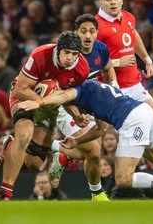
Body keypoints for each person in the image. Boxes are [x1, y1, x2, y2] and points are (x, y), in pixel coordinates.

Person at [18, 80, 153, 200]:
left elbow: (63, 97)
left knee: (124, 179)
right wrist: (77, 142)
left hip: (132, 121)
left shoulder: (79, 89)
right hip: (144, 112)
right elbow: (101, 129)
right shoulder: (96, 90)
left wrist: (39, 102)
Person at [0, 30, 90, 200]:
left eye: (74, 54)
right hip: (25, 96)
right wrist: (42, 101)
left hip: (49, 104)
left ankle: (11, 145)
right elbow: (20, 89)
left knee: (34, 164)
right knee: (24, 134)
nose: (70, 58)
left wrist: (76, 115)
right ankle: (5, 191)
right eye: (66, 52)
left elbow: (66, 97)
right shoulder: (40, 55)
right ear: (59, 49)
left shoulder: (82, 69)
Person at [95, 0, 153, 164]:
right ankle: (88, 178)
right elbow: (90, 63)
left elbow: (133, 34)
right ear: (101, 2)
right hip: (110, 91)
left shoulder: (129, 17)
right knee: (98, 136)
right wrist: (116, 63)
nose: (113, 2)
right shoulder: (95, 27)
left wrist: (146, 59)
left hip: (135, 86)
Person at [46, 14, 118, 201]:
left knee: (94, 155)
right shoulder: (68, 56)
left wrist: (114, 85)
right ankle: (54, 148)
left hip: (90, 102)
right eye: (83, 31)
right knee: (92, 149)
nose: (87, 36)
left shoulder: (101, 49)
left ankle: (95, 192)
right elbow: (62, 92)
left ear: (97, 33)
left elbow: (108, 68)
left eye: (91, 31)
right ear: (76, 32)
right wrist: (77, 114)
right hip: (67, 104)